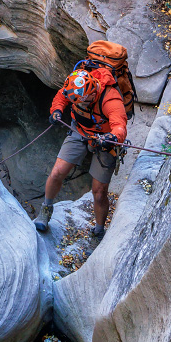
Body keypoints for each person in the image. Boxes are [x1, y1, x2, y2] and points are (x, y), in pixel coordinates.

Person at [33, 68, 128, 238]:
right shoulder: (75, 86)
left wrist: (111, 137)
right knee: (57, 172)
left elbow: (119, 126)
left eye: (81, 103)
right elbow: (62, 96)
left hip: (105, 141)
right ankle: (45, 210)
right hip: (80, 131)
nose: (78, 105)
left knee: (99, 192)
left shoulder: (110, 99)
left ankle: (99, 229)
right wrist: (56, 110)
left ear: (92, 95)